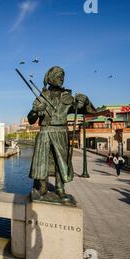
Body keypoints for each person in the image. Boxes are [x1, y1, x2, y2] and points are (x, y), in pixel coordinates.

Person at [28, 66, 96, 203]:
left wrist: (85, 101)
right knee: (42, 161)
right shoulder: (41, 97)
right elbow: (31, 119)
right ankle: (42, 188)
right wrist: (35, 111)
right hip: (45, 131)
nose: (61, 79)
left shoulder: (68, 97)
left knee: (61, 162)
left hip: (60, 132)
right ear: (50, 78)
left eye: (62, 76)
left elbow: (88, 111)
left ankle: (60, 189)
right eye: (58, 76)